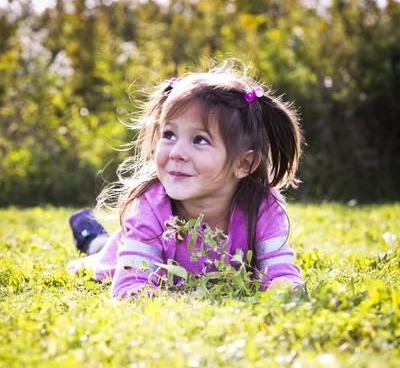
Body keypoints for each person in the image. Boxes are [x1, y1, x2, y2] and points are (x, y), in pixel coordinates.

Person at [67, 60, 305, 298]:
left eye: (200, 140)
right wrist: (184, 300)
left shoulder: (263, 206)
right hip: (121, 252)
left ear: (244, 164)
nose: (176, 152)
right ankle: (88, 231)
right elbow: (130, 286)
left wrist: (284, 289)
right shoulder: (150, 205)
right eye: (169, 135)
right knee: (98, 252)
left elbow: (282, 272)